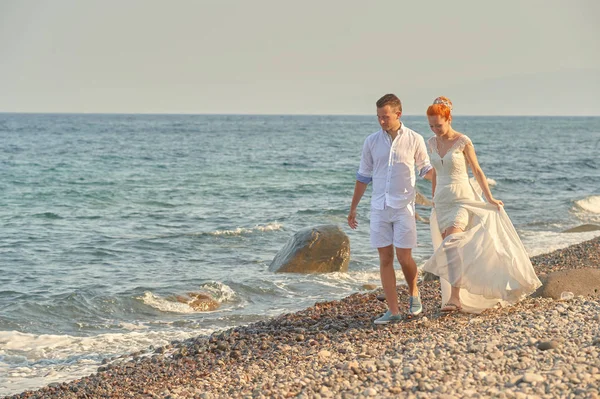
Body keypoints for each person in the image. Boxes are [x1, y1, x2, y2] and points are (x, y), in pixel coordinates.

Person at [422, 96, 541, 313]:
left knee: (452, 242)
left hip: (462, 200)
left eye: (438, 125)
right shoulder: (430, 143)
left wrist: (489, 198)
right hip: (442, 202)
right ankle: (457, 296)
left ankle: (456, 297)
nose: (435, 129)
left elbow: (477, 171)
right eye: (431, 125)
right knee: (451, 252)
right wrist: (433, 200)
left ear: (448, 119)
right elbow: (436, 175)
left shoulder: (462, 141)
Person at [348, 93, 433, 324]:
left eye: (385, 117)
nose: (382, 121)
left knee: (404, 257)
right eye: (378, 117)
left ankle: (414, 292)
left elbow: (425, 169)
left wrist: (445, 182)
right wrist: (353, 207)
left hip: (404, 207)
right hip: (379, 207)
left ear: (398, 114)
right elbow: (363, 176)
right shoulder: (371, 141)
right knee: (385, 257)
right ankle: (393, 311)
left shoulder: (414, 139)